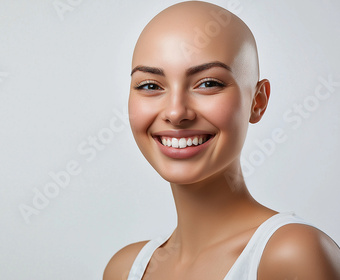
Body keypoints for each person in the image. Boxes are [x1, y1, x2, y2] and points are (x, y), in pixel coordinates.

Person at [103, 1, 340, 279]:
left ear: (257, 101)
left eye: (208, 83)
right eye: (150, 86)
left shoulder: (292, 255)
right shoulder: (124, 269)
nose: (176, 112)